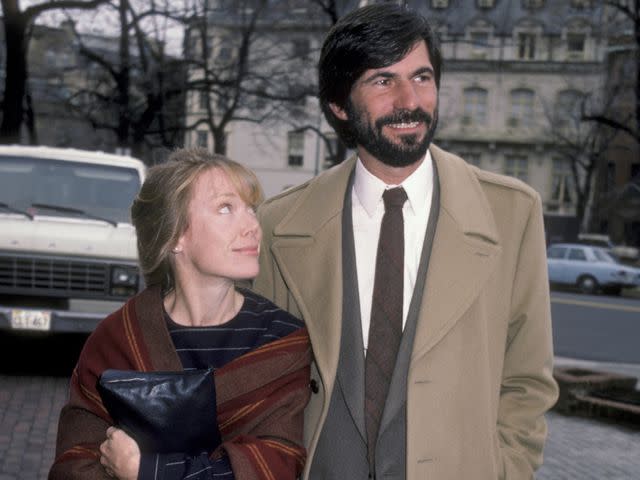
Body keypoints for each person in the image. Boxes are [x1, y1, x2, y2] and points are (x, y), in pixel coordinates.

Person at [252, 4, 558, 480]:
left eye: (422, 77)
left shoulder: (512, 213)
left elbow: (527, 378)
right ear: (339, 105)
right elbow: (259, 380)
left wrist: (507, 468)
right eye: (382, 81)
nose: (409, 100)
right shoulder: (278, 224)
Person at [49, 148, 311, 480]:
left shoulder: (280, 341)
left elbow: (277, 464)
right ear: (175, 235)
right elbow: (75, 465)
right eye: (226, 208)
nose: (253, 226)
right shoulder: (118, 339)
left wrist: (146, 470)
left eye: (251, 209)